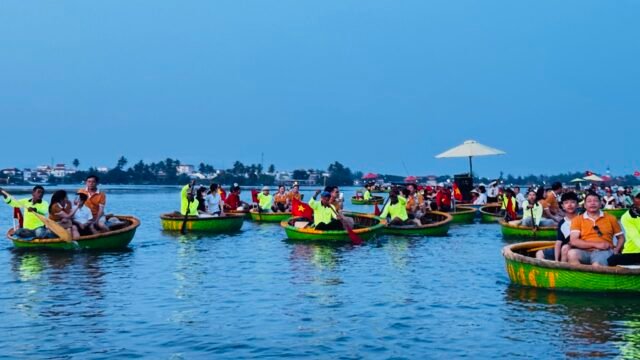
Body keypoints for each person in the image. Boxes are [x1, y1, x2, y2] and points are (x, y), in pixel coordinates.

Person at [567, 192, 625, 266]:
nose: (592, 203)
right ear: (584, 205)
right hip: (585, 251)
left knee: (597, 264)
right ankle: (579, 276)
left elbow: (621, 238)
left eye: (595, 201)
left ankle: (595, 275)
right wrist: (597, 245)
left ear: (600, 204)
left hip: (604, 251)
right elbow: (574, 241)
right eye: (589, 201)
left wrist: (616, 250)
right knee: (572, 254)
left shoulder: (611, 218)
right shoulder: (577, 220)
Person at [536, 191, 580, 262]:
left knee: (565, 249)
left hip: (575, 249)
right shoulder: (562, 223)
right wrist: (556, 260)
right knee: (539, 253)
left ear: (577, 205)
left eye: (572, 202)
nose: (569, 205)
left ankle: (562, 268)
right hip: (563, 247)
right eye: (566, 203)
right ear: (562, 206)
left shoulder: (582, 219)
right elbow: (558, 242)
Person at [608, 188, 640, 266]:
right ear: (632, 198)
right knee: (612, 260)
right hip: (633, 252)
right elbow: (636, 239)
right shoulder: (627, 217)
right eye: (639, 198)